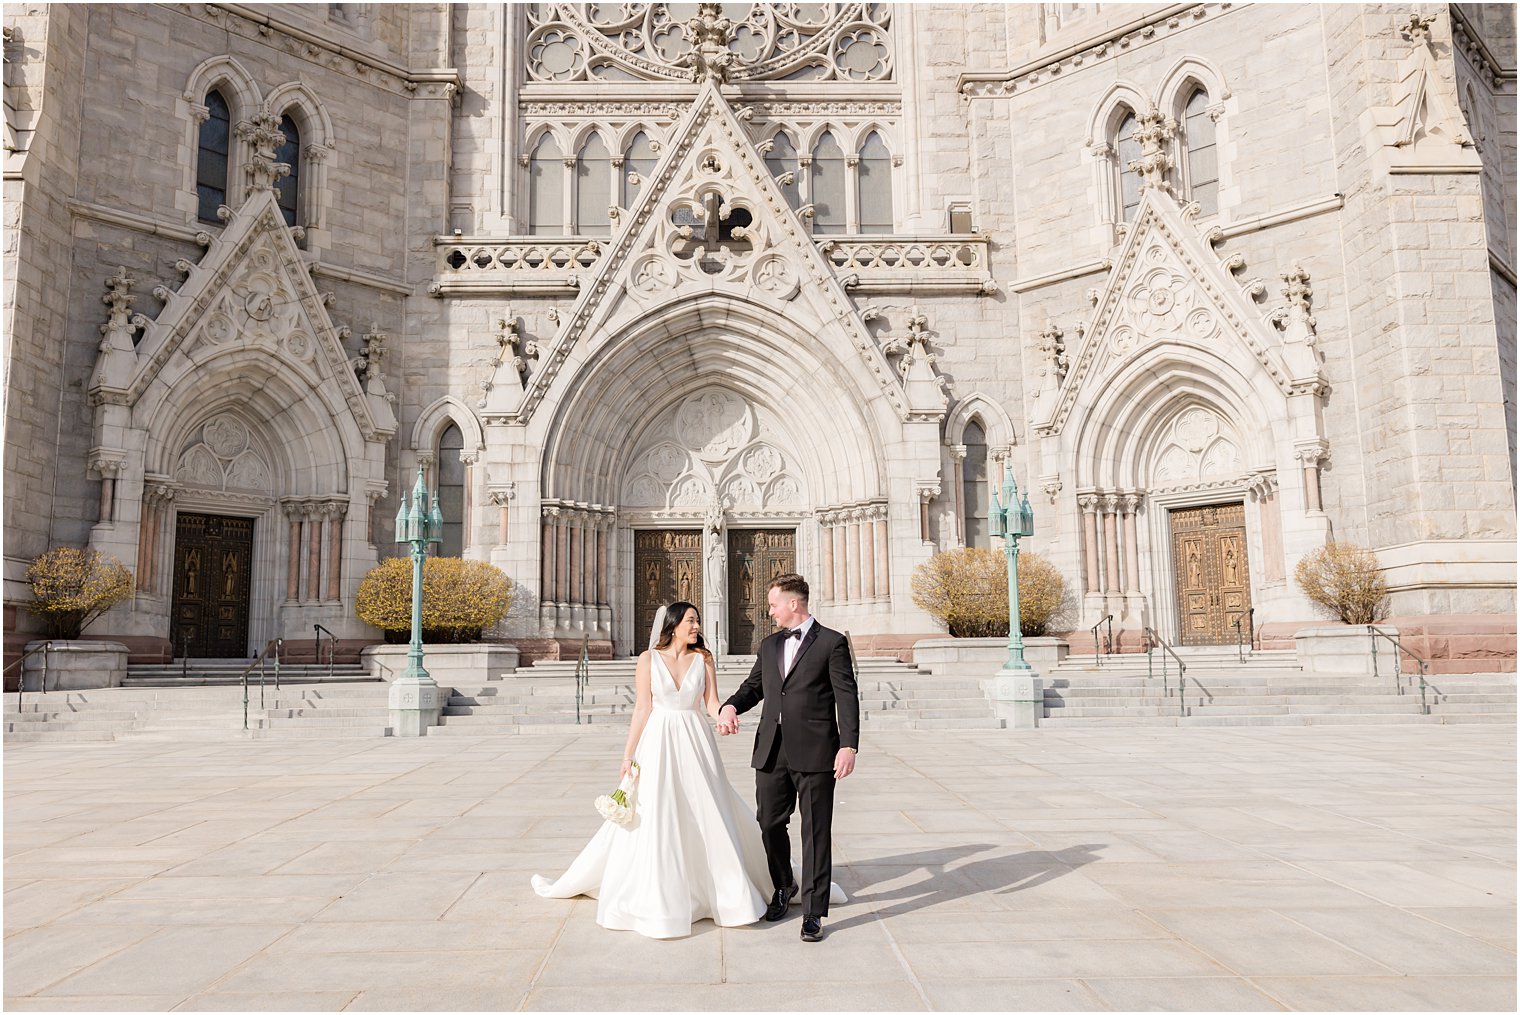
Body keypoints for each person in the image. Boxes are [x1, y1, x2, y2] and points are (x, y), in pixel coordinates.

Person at [530, 601, 842, 939]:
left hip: (695, 739)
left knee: (705, 808)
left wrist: (724, 716)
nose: (696, 626)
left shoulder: (704, 658)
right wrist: (628, 755)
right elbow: (642, 708)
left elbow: (710, 703)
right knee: (660, 812)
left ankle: (724, 888)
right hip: (659, 741)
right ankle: (664, 893)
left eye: (697, 621)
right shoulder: (648, 659)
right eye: (691, 620)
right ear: (674, 624)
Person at [718, 572, 860, 943]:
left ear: (793, 604)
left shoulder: (831, 643)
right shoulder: (768, 645)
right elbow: (754, 688)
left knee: (815, 832)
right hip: (771, 749)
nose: (770, 611)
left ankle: (813, 913)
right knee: (768, 822)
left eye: (773, 604)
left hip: (816, 750)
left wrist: (849, 745)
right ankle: (784, 885)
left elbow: (846, 697)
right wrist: (730, 706)